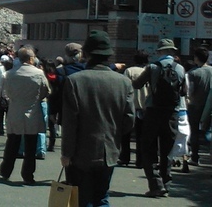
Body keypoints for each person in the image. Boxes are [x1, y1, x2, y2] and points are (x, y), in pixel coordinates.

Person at [61, 30, 135, 206]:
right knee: (102, 196)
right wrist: (114, 134)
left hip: (81, 151)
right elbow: (129, 119)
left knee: (83, 198)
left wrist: (67, 153)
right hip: (109, 149)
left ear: (86, 54)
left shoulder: (75, 81)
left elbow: (70, 123)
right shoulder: (123, 82)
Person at [132, 38, 186, 197]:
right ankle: (166, 184)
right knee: (167, 150)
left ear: (160, 52)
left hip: (153, 111)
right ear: (172, 51)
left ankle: (156, 184)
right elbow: (184, 92)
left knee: (148, 148)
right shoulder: (181, 69)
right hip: (172, 113)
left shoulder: (153, 67)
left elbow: (137, 85)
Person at [0, 47, 50, 184]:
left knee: (12, 143)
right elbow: (45, 91)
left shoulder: (9, 74)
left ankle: (6, 170)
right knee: (30, 146)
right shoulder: (39, 73)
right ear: (32, 58)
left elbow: (5, 93)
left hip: (15, 110)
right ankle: (28, 174)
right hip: (32, 111)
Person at [121, 50, 150, 168]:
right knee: (142, 136)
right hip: (145, 106)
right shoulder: (149, 70)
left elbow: (124, 88)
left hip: (131, 105)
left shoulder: (129, 71)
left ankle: (125, 157)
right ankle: (141, 160)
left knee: (126, 134)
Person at [186, 47, 212, 166]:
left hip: (195, 105)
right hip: (210, 106)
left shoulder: (193, 73)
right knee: (209, 132)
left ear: (196, 58)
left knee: (194, 131)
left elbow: (189, 92)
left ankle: (195, 157)